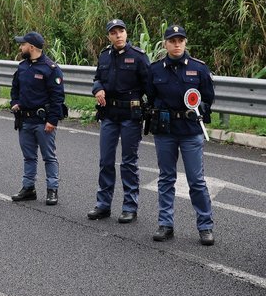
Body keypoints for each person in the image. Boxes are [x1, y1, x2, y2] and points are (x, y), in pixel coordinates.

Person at [146, 25, 215, 245]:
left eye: (180, 40)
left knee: (196, 181)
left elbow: (208, 98)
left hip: (190, 131)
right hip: (165, 131)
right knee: (166, 178)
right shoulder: (155, 69)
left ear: (185, 42)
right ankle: (165, 224)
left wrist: (198, 109)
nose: (177, 44)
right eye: (172, 40)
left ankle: (205, 226)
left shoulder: (199, 69)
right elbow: (150, 94)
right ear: (165, 43)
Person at [87, 19, 151, 223]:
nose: (118, 35)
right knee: (105, 161)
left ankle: (130, 207)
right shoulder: (105, 55)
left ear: (126, 32)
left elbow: (149, 86)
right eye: (113, 33)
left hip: (130, 116)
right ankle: (103, 205)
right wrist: (97, 88)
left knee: (128, 162)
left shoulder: (138, 57)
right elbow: (97, 78)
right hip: (109, 114)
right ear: (109, 36)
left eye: (121, 31)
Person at [10, 32, 65, 205]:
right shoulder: (22, 67)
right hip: (25, 120)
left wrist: (52, 121)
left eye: (23, 45)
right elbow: (15, 89)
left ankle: (52, 189)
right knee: (29, 156)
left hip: (43, 122)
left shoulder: (50, 68)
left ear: (31, 47)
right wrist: (15, 102)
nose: (20, 47)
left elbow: (57, 98)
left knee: (49, 157)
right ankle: (28, 188)